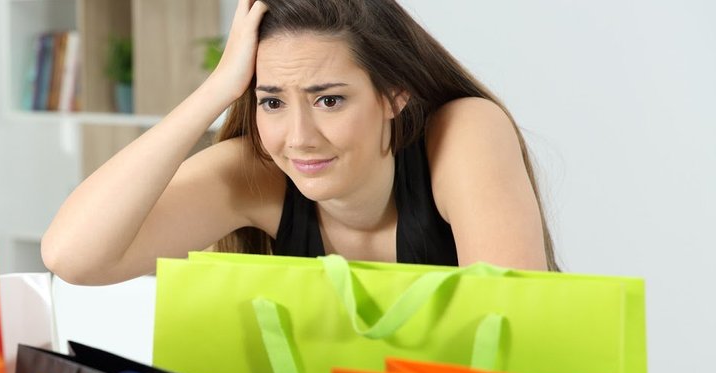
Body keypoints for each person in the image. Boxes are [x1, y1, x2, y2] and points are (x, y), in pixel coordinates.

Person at [42, 0, 557, 286]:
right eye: (272, 102)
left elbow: (510, 321)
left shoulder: (463, 131)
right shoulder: (258, 171)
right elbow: (73, 257)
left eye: (329, 100)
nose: (299, 139)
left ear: (395, 95)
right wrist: (218, 90)